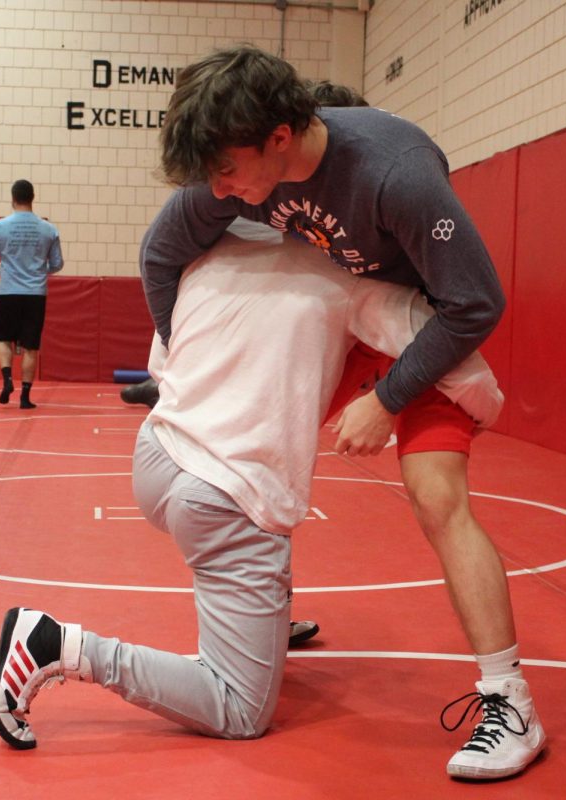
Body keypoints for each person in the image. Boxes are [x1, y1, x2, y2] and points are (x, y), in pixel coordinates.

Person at [135, 46, 543, 781]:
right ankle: (263, 611)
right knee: (247, 447)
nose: (219, 189)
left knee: (437, 498)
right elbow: (160, 251)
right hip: (343, 315)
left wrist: (387, 402)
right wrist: (183, 356)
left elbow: (476, 303)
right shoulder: (235, 168)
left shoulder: (396, 175)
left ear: (280, 140)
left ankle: (510, 702)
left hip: (416, 331)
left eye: (227, 170)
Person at [0, 222, 504, 753]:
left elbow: (159, 364)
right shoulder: (353, 283)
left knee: (252, 509)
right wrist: (485, 412)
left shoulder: (210, 254)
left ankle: (267, 618)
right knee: (239, 708)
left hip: (158, 458)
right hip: (225, 496)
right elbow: (454, 356)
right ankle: (55, 645)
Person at [117, 78, 367, 412]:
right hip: (211, 334)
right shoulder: (234, 187)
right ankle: (166, 377)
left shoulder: (358, 185)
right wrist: (175, 346)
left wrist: (385, 399)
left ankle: (168, 377)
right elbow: (157, 253)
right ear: (285, 140)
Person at [0, 179, 64, 409]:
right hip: (35, 293)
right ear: (32, 198)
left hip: (8, 291)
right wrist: (39, 271)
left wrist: (1, 272)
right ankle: (25, 396)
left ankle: (7, 379)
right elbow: (57, 264)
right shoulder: (49, 229)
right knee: (31, 346)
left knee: (3, 339)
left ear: (13, 198)